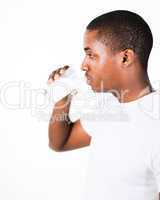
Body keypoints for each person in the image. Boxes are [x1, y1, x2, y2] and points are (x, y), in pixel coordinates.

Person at [48, 10, 160, 200]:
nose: (83, 65)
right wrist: (63, 97)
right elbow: (60, 143)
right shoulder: (109, 107)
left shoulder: (155, 123)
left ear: (125, 58)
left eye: (91, 55)